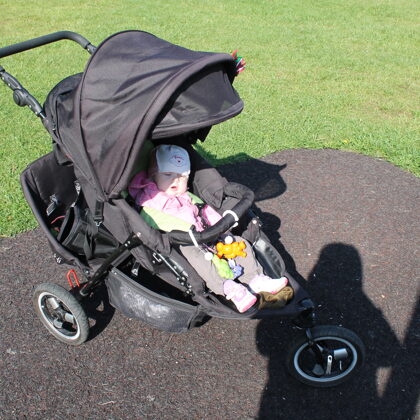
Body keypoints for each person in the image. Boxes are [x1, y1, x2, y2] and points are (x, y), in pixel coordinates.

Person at [128, 144, 288, 312]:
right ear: (153, 176)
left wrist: (222, 226)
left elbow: (204, 210)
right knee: (198, 258)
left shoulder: (188, 196)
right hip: (184, 242)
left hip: (208, 236)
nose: (176, 180)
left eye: (182, 176)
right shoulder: (150, 198)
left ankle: (255, 278)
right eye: (168, 175)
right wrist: (188, 230)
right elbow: (151, 218)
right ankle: (230, 289)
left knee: (239, 243)